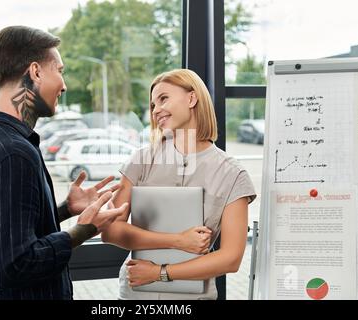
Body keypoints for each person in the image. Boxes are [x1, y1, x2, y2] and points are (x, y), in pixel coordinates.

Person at [0, 25, 128, 300]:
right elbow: (14, 264)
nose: (64, 84)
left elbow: (3, 231)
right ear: (35, 72)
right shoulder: (12, 154)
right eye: (59, 70)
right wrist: (82, 230)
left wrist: (63, 210)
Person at [101, 69, 257, 300]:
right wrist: (178, 240)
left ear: (192, 98)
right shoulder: (142, 160)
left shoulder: (232, 174)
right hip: (136, 292)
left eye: (163, 99)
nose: (156, 110)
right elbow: (110, 230)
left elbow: (231, 258)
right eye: (153, 105)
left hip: (194, 296)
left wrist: (160, 273)